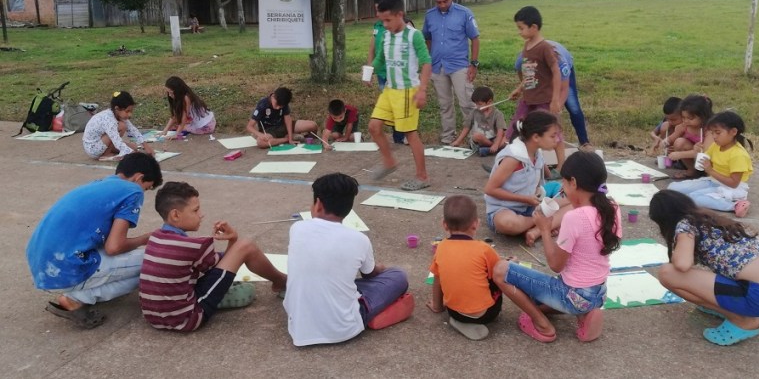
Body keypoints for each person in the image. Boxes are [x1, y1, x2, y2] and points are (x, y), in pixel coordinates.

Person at [493, 151, 621, 343]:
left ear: (574, 182)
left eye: (564, 182)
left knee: (501, 271)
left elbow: (555, 265)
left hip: (572, 295)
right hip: (598, 293)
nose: (562, 187)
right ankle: (586, 313)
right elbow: (590, 242)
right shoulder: (612, 208)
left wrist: (544, 230)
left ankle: (543, 325)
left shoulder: (574, 218)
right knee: (532, 297)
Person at [26, 153, 163, 329]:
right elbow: (114, 247)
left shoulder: (99, 184)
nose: (143, 192)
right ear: (139, 178)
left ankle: (77, 294)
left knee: (138, 270)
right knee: (157, 260)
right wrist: (146, 238)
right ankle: (77, 298)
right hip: (68, 268)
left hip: (44, 268)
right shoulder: (132, 190)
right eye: (146, 187)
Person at [649, 190, 759, 346]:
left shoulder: (685, 225)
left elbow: (682, 264)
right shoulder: (709, 218)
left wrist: (677, 247)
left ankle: (742, 321)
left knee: (667, 273)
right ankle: (729, 307)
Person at [284, 173, 413, 346]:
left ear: (318, 204)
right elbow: (370, 274)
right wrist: (381, 268)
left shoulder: (297, 228)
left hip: (298, 325)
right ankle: (372, 315)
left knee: (329, 280)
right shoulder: (359, 239)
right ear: (348, 208)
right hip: (344, 328)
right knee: (398, 275)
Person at [139, 181, 287, 332]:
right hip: (187, 319)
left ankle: (273, 282)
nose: (201, 214)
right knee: (246, 246)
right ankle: (281, 281)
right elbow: (225, 264)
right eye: (195, 210)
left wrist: (232, 242)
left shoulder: (154, 237)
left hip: (153, 318)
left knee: (234, 254)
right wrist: (233, 239)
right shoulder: (194, 246)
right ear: (175, 215)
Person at [368, 0, 433, 191]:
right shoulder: (385, 36)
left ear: (400, 15)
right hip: (389, 90)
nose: (385, 25)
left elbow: (426, 62)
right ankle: (389, 162)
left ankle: (422, 176)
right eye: (382, 21)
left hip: (407, 92)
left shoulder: (414, 35)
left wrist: (422, 90)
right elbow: (380, 59)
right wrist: (369, 71)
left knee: (410, 134)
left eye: (388, 20)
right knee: (374, 127)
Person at [484, 111, 571, 246]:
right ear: (536, 137)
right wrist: (525, 199)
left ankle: (536, 231)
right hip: (505, 209)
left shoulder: (536, 153)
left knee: (577, 202)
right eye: (552, 136)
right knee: (507, 223)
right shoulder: (513, 158)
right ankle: (541, 224)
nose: (557, 140)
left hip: (530, 207)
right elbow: (490, 189)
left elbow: (544, 179)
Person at [426, 195, 503, 341]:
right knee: (497, 275)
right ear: (476, 224)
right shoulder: (484, 249)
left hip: (453, 311)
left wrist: (437, 306)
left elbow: (437, 279)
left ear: (444, 225)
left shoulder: (441, 247)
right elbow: (499, 273)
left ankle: (459, 320)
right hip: (487, 314)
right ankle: (472, 317)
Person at [422, 0, 480, 145]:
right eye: (438, 2)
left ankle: (475, 137)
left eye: (445, 1)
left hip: (459, 65)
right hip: (437, 66)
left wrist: (474, 64)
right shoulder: (430, 15)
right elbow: (427, 37)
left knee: (467, 103)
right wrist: (429, 59)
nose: (442, 5)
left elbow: (475, 39)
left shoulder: (464, 13)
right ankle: (448, 136)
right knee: (444, 104)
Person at [668, 111, 754, 217]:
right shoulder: (716, 146)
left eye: (718, 133)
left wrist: (710, 171)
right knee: (672, 188)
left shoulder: (738, 155)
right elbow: (704, 158)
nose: (714, 136)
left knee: (694, 198)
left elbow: (733, 183)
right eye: (712, 133)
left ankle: (735, 205)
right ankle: (706, 196)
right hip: (713, 181)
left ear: (733, 132)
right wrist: (697, 150)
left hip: (730, 188)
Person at [515, 40, 591, 151]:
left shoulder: (560, 62)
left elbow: (564, 89)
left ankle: (584, 142)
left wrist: (556, 106)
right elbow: (524, 77)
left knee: (573, 106)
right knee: (533, 104)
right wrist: (523, 89)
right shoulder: (524, 59)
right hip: (538, 72)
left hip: (562, 73)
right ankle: (532, 142)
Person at [505, 6, 562, 143]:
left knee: (552, 133)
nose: (519, 32)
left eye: (521, 28)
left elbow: (556, 72)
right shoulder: (526, 46)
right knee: (516, 127)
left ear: (534, 27)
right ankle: (510, 153)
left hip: (543, 100)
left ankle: (560, 158)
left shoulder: (545, 47)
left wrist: (555, 100)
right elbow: (529, 74)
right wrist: (519, 89)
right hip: (528, 99)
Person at [367, 0, 413, 145]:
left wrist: (422, 88)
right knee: (387, 111)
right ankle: (397, 138)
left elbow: (423, 59)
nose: (378, 13)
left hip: (403, 80)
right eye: (377, 10)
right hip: (384, 75)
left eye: (381, 10)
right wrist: (370, 69)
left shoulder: (409, 29)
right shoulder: (378, 27)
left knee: (402, 111)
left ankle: (405, 136)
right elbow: (375, 51)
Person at [83, 91, 155, 159]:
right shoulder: (108, 119)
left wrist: (145, 145)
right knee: (122, 127)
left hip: (101, 142)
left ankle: (111, 150)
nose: (130, 115)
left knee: (134, 147)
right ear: (117, 108)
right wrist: (129, 152)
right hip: (93, 148)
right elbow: (116, 139)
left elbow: (133, 130)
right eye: (127, 111)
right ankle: (106, 154)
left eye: (131, 111)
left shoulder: (118, 115)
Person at [246, 86, 318, 148]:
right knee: (261, 143)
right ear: (273, 96)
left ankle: (291, 137)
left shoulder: (283, 102)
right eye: (277, 104)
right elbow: (249, 126)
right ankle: (285, 139)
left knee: (313, 125)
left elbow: (288, 121)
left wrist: (290, 138)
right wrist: (260, 135)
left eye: (281, 106)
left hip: (283, 126)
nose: (278, 108)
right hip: (269, 131)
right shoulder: (262, 105)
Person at [450, 86, 507, 156]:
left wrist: (496, 143)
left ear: (489, 102)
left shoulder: (498, 114)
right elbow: (467, 127)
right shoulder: (474, 112)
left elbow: (500, 131)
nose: (477, 106)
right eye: (476, 104)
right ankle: (493, 149)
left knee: (506, 136)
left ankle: (490, 149)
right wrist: (458, 141)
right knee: (477, 136)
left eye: (480, 104)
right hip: (479, 141)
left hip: (493, 139)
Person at [667, 94, 714, 176]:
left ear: (703, 116)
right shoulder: (684, 126)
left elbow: (705, 152)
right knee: (679, 142)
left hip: (710, 159)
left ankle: (708, 173)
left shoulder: (710, 129)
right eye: (683, 117)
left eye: (690, 118)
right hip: (695, 156)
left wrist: (679, 155)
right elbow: (671, 138)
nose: (686, 121)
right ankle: (692, 170)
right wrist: (664, 142)